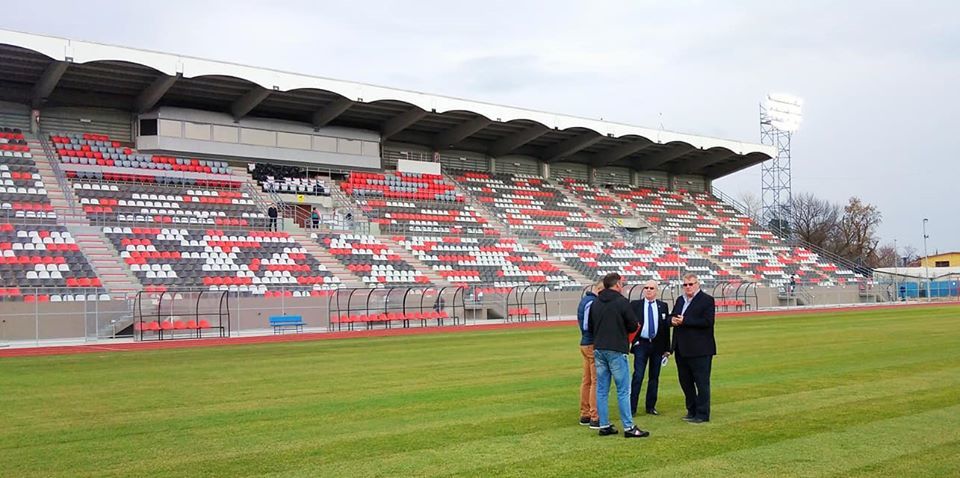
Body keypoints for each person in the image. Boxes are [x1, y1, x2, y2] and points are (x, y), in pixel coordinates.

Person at [589, 273, 649, 438]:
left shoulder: (595, 302)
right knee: (623, 390)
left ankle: (604, 424)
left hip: (599, 347)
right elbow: (632, 324)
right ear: (616, 285)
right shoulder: (622, 302)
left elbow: (591, 325)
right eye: (621, 284)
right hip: (616, 348)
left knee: (602, 389)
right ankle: (629, 427)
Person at [671, 273, 716, 424]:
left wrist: (685, 321)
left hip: (700, 349)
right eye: (685, 285)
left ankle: (703, 413)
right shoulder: (680, 300)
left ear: (698, 284)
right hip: (681, 348)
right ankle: (691, 410)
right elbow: (672, 316)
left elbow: (708, 322)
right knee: (685, 382)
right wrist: (672, 320)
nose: (688, 287)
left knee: (701, 382)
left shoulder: (707, 300)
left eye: (691, 284)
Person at [629, 280, 672, 417]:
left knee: (654, 377)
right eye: (646, 287)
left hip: (657, 345)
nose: (648, 290)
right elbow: (629, 324)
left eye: (651, 288)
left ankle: (650, 406)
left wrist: (667, 348)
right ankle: (632, 407)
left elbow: (665, 328)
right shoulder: (635, 305)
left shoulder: (662, 306)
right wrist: (633, 341)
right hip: (641, 344)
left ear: (656, 291)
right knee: (638, 376)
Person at [576, 281, 603, 429]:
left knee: (586, 380)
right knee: (595, 381)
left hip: (585, 343)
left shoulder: (585, 301)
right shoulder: (592, 303)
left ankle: (585, 413)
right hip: (591, 343)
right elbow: (587, 325)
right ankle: (594, 416)